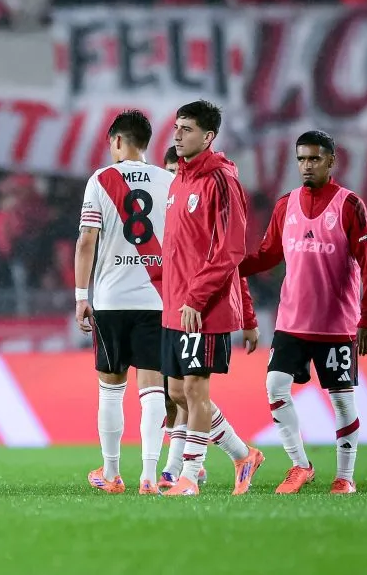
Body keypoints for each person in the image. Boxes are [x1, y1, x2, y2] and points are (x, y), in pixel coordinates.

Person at [240, 130, 367, 494]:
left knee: (342, 402)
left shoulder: (350, 205)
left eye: (314, 159)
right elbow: (269, 254)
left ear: (331, 161)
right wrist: (228, 268)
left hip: (336, 327)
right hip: (292, 323)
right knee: (274, 386)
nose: (306, 165)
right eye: (301, 159)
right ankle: (300, 466)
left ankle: (345, 477)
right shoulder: (286, 204)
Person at [161, 100, 263, 497]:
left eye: (186, 129)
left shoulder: (221, 181)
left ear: (208, 136)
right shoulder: (179, 181)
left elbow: (230, 251)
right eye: (176, 127)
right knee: (176, 393)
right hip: (175, 308)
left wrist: (197, 299)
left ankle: (190, 478)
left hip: (203, 310)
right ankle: (242, 455)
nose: (178, 135)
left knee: (195, 391)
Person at [74, 111, 173, 495]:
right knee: (152, 389)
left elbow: (87, 240)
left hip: (112, 299)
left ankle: (112, 475)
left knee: (111, 388)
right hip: (155, 297)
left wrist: (82, 296)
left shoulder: (101, 180)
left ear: (117, 141)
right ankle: (149, 476)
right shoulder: (169, 182)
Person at [158, 145, 207, 488]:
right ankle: (234, 453)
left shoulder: (195, 208)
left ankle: (181, 468)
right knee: (172, 395)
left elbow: (227, 259)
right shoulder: (159, 209)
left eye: (179, 171)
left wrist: (246, 314)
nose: (174, 177)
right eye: (169, 172)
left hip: (191, 308)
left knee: (188, 391)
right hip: (162, 309)